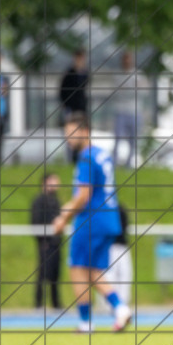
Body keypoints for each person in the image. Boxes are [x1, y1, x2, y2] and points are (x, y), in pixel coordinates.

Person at [52, 112, 130, 333]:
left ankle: (86, 322)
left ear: (84, 131)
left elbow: (83, 196)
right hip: (109, 218)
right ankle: (120, 308)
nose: (69, 138)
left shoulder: (86, 157)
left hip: (92, 219)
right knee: (92, 270)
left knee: (77, 267)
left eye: (72, 133)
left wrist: (63, 216)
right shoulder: (101, 154)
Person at [30, 173, 63, 309]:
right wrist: (43, 239)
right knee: (43, 273)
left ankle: (56, 303)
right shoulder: (38, 201)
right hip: (45, 243)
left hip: (56, 243)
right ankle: (38, 304)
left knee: (56, 274)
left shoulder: (56, 201)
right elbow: (35, 221)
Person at [111, 51, 146, 169]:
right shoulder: (117, 75)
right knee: (117, 138)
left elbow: (142, 92)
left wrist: (129, 90)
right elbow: (118, 93)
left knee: (133, 140)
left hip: (135, 112)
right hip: (120, 111)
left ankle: (128, 164)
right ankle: (114, 163)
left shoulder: (138, 75)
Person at [59, 49, 89, 122]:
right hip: (71, 107)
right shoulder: (69, 74)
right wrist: (66, 105)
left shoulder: (85, 74)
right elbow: (63, 91)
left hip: (81, 107)